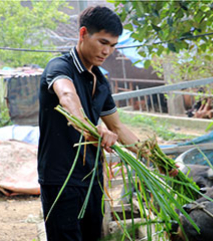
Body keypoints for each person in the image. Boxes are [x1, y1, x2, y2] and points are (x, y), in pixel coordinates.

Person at [37, 6, 142, 241]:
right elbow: (67, 97)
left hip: (92, 177)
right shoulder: (59, 67)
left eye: (113, 46)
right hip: (61, 177)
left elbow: (118, 128)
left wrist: (154, 157)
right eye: (103, 42)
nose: (107, 51)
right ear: (83, 33)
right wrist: (91, 129)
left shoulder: (101, 81)